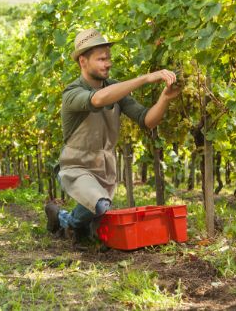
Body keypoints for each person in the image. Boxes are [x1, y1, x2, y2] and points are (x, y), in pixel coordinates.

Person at [45, 29, 181, 243]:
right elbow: (98, 100)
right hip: (76, 167)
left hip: (104, 169)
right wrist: (145, 78)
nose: (108, 63)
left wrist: (165, 98)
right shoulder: (71, 93)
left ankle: (68, 222)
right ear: (83, 61)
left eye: (108, 58)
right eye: (101, 59)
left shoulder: (115, 88)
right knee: (100, 205)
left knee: (99, 210)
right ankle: (67, 221)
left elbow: (147, 120)